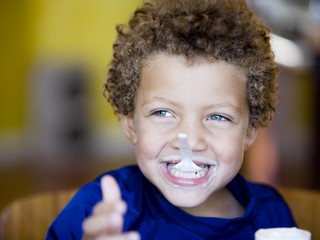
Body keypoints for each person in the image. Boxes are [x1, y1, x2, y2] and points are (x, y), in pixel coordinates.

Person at [46, 0, 296, 239]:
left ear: (249, 132)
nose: (190, 140)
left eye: (218, 116)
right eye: (163, 113)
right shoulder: (95, 212)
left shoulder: (273, 215)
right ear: (131, 124)